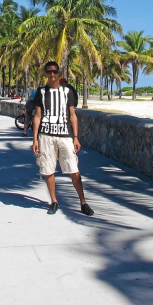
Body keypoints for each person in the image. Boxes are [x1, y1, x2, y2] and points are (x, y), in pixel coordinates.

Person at [32, 61, 93, 216]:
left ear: (59, 73)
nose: (52, 74)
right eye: (49, 72)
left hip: (64, 135)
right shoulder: (41, 92)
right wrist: (35, 139)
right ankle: (54, 201)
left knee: (73, 169)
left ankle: (83, 202)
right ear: (45, 73)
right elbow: (37, 117)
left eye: (55, 71)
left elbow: (72, 116)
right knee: (48, 169)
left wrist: (76, 137)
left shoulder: (67, 92)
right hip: (46, 136)